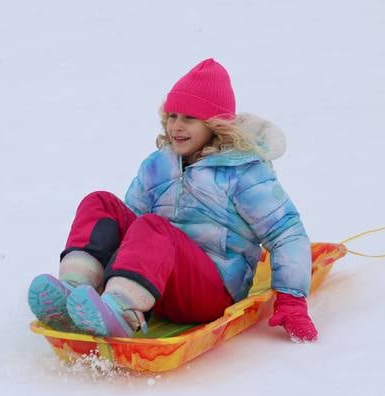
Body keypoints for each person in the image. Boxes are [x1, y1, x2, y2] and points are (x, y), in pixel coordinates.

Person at [27, 58, 318, 342]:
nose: (176, 126)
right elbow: (130, 228)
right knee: (100, 202)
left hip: (211, 291)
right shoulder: (158, 164)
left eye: (189, 118)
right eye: (172, 116)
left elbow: (286, 233)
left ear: (215, 124)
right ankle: (76, 287)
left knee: (152, 226)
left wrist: (292, 300)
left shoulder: (243, 172)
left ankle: (123, 313)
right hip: (156, 283)